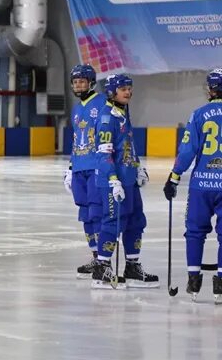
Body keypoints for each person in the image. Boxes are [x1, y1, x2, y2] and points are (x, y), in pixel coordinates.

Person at [91, 74, 158, 289]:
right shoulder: (106, 118)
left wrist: (138, 168)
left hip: (129, 179)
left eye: (129, 88)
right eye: (123, 89)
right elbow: (104, 154)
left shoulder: (123, 113)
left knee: (136, 220)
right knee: (113, 221)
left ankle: (132, 267)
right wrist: (113, 179)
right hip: (114, 181)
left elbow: (128, 146)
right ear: (112, 92)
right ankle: (102, 268)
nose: (128, 92)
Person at [164, 68, 222, 301]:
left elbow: (187, 151)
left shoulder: (198, 114)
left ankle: (194, 282)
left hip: (201, 186)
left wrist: (174, 177)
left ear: (210, 89)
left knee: (195, 233)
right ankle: (220, 285)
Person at [63, 63, 105, 278]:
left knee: (97, 213)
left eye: (82, 81)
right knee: (86, 215)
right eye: (75, 82)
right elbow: (75, 140)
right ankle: (95, 255)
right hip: (80, 167)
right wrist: (71, 168)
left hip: (96, 167)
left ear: (91, 82)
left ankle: (103, 261)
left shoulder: (103, 103)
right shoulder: (77, 108)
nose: (78, 85)